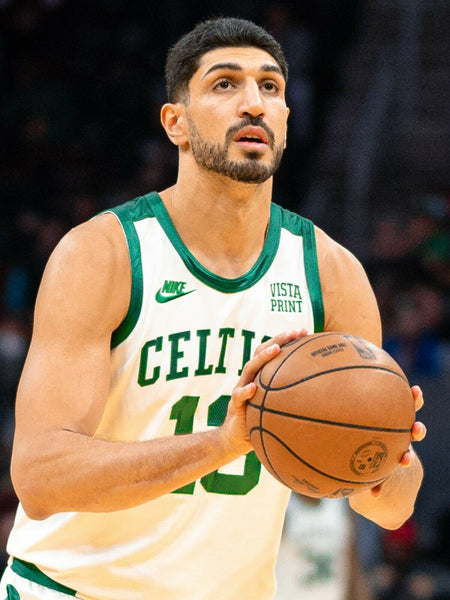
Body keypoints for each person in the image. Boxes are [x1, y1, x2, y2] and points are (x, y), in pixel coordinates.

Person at [0, 17, 426, 600]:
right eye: (225, 84)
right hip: (72, 589)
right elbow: (41, 476)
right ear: (175, 122)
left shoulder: (332, 272)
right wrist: (224, 442)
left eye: (270, 86)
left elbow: (388, 508)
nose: (253, 103)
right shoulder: (103, 255)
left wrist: (386, 448)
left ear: (285, 119)